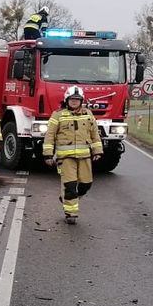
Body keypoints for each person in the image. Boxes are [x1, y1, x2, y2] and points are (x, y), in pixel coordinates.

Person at [43, 86, 102, 224]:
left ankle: (67, 197)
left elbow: (94, 133)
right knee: (70, 185)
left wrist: (97, 151)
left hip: (84, 157)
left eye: (77, 99)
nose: (74, 101)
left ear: (81, 101)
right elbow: (50, 135)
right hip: (65, 158)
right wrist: (48, 155)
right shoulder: (58, 115)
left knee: (86, 184)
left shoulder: (88, 114)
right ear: (66, 100)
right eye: (72, 99)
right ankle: (71, 213)